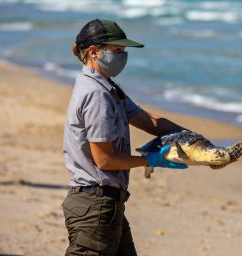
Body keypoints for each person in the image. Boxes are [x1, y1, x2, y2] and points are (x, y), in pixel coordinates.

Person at [62, 19, 188, 256]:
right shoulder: (96, 94)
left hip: (107, 206)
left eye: (124, 51)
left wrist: (188, 136)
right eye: (117, 50)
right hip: (95, 208)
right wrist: (150, 160)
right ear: (94, 52)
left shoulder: (107, 87)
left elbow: (145, 119)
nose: (123, 56)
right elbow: (105, 160)